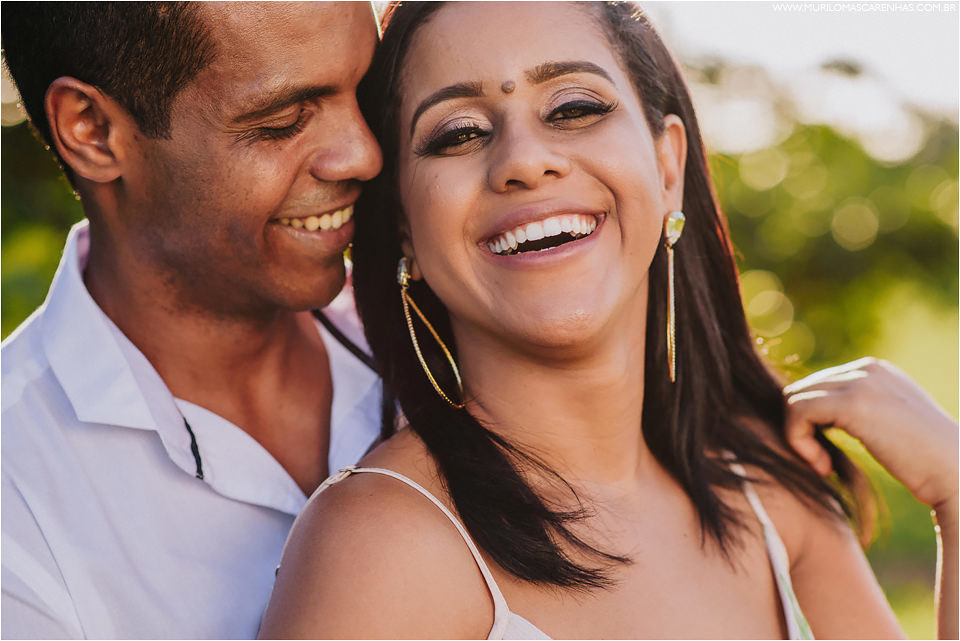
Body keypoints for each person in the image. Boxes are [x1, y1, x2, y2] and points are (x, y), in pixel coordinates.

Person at [259, 2, 958, 639]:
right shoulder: (385, 544)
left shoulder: (766, 489)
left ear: (667, 167)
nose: (524, 161)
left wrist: (954, 495)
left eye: (573, 108)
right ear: (405, 227)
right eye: (460, 132)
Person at [0, 3, 384, 638]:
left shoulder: (449, 336)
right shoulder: (17, 505)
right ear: (92, 129)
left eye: (369, 92)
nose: (363, 156)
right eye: (283, 120)